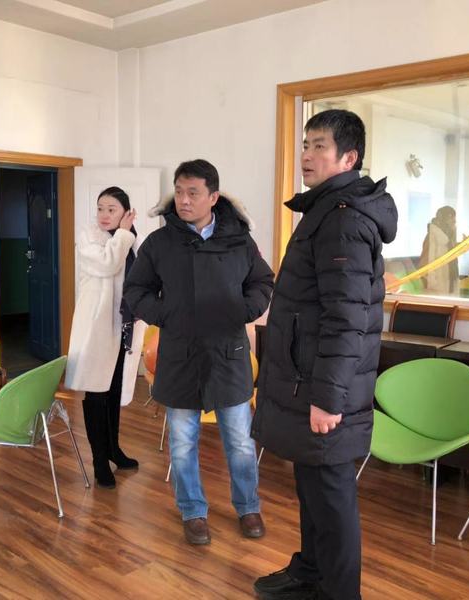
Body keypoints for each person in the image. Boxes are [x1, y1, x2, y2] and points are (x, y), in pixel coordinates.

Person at [251, 109, 397, 600]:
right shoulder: (326, 211)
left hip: (324, 390)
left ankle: (339, 592)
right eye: (305, 145)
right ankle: (310, 572)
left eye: (319, 146)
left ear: (348, 158)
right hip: (307, 380)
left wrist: (329, 399)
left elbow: (346, 318)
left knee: (331, 499)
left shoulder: (343, 220)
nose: (307, 156)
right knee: (312, 489)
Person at [124, 159, 274, 546]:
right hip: (180, 355)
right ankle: (192, 510)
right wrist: (166, 315)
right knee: (182, 443)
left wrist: (244, 310)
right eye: (179, 192)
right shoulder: (160, 243)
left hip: (228, 354)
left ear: (213, 197)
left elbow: (262, 281)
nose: (184, 200)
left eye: (193, 193)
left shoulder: (239, 240)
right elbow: (136, 291)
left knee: (240, 442)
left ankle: (248, 506)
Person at [65, 186, 146, 489]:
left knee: (113, 391)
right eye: (100, 208)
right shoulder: (90, 236)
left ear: (125, 212)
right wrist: (124, 234)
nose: (103, 215)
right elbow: (107, 264)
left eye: (111, 209)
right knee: (96, 394)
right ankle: (99, 460)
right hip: (96, 328)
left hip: (121, 325)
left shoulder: (130, 238)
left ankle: (114, 449)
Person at [419, 205, 458, 294]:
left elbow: (450, 254)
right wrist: (433, 283)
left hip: (448, 283)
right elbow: (425, 262)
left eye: (454, 218)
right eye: (451, 218)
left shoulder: (449, 237)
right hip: (436, 286)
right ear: (443, 219)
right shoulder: (432, 237)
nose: (454, 221)